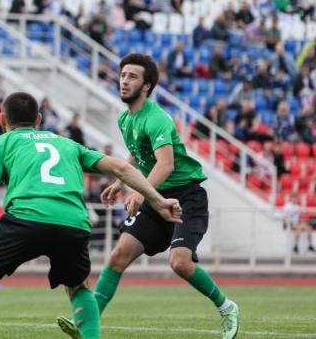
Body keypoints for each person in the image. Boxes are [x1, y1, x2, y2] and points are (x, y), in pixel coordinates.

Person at [0, 92, 182, 339]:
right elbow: (122, 168)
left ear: (1, 119)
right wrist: (158, 201)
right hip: (72, 223)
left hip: (26, 219)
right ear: (39, 118)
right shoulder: (66, 143)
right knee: (79, 288)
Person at [94, 53, 240, 339]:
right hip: (156, 196)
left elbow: (166, 164)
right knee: (117, 256)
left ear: (146, 86)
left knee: (180, 263)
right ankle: (87, 323)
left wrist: (138, 190)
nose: (124, 81)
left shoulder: (158, 118)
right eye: (123, 75)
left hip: (186, 198)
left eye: (132, 76)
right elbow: (139, 154)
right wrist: (119, 181)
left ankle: (226, 307)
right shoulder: (126, 118)